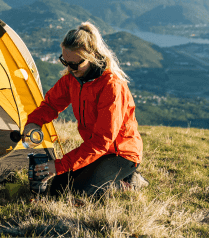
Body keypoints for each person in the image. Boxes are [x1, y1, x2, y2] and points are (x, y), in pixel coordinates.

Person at [23, 22, 145, 198]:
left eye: (75, 64)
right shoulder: (72, 78)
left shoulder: (111, 86)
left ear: (92, 57)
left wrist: (58, 166)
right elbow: (51, 105)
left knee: (80, 193)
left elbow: (102, 141)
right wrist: (34, 122)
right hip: (95, 151)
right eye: (65, 62)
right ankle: (107, 177)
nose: (69, 69)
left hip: (121, 153)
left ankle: (130, 182)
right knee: (58, 188)